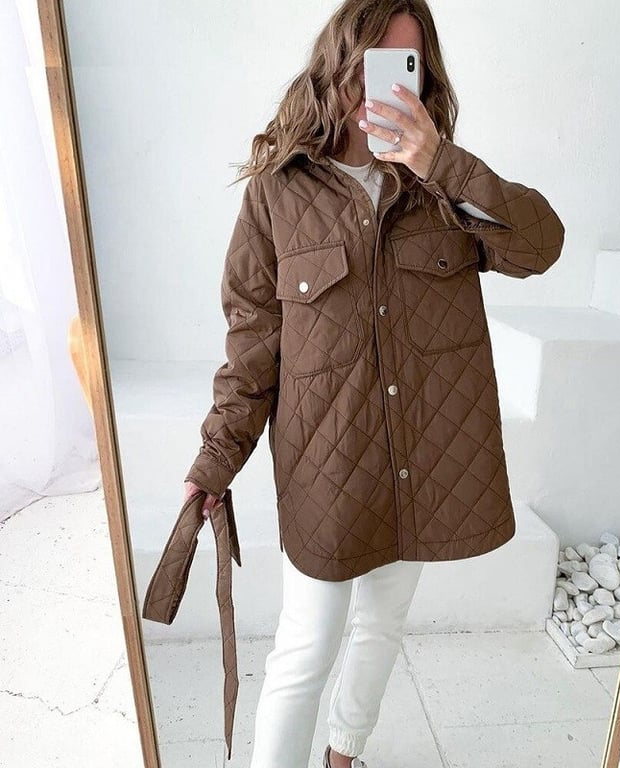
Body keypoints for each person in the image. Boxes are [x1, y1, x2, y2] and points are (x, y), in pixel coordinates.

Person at [183, 1, 565, 766]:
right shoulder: (277, 193)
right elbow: (252, 347)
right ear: (337, 63)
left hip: (421, 457)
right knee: (305, 649)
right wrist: (215, 460)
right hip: (327, 463)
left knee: (382, 626)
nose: (380, 82)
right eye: (368, 61)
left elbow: (541, 245)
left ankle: (345, 753)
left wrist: (440, 164)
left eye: (404, 64)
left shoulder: (443, 189)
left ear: (424, 77)